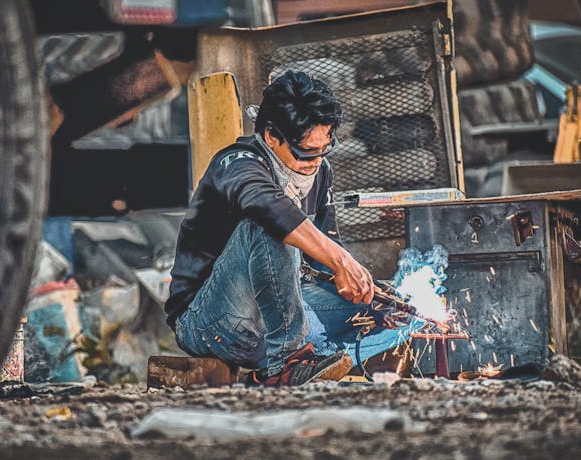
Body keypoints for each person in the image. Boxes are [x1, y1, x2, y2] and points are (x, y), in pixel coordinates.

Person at [165, 70, 410, 386]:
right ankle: (285, 365)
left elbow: (322, 263)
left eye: (324, 149)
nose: (315, 161)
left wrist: (369, 294)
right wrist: (342, 260)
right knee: (268, 224)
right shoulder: (236, 163)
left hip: (280, 320)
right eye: (305, 151)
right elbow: (268, 207)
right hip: (209, 322)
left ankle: (288, 361)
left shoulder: (321, 174)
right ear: (271, 136)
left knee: (393, 314)